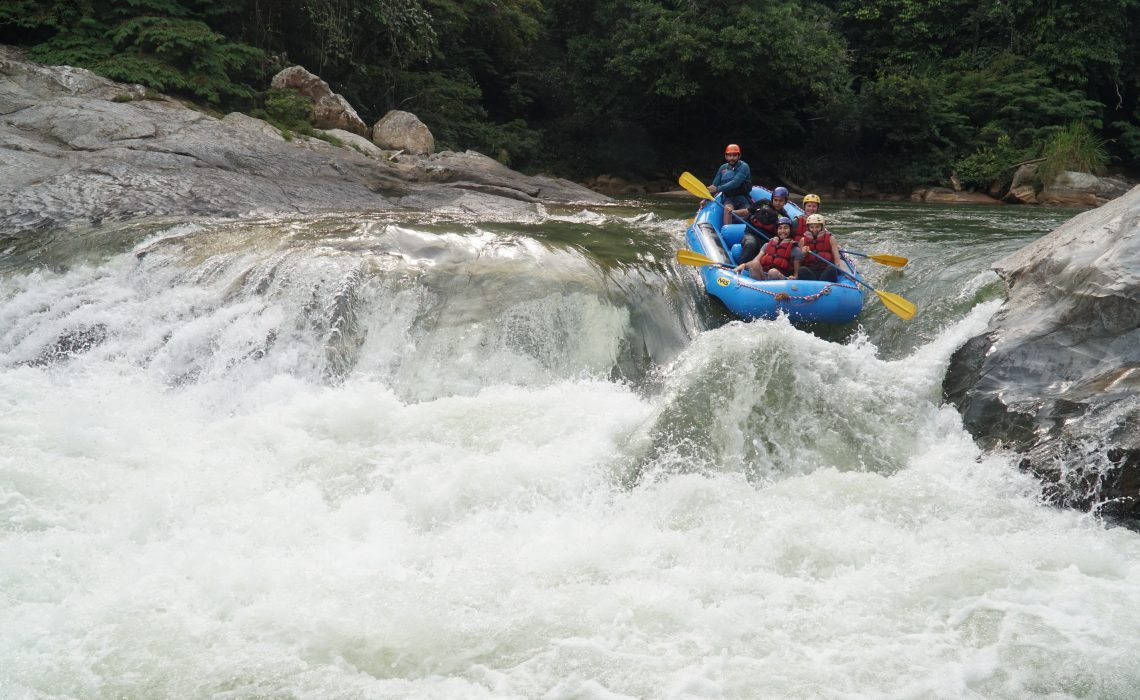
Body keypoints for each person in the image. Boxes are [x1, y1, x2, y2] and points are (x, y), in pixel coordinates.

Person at [734, 186, 790, 264]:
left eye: (781, 201)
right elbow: (746, 211)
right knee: (751, 244)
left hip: (766, 240)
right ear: (772, 199)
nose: (777, 203)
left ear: (785, 202)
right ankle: (742, 268)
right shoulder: (763, 203)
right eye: (775, 200)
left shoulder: (784, 217)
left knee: (767, 255)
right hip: (751, 234)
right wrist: (733, 212)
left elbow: (784, 235)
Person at [734, 217, 799, 280]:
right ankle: (757, 288)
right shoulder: (767, 245)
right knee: (755, 263)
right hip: (764, 278)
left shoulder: (795, 250)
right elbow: (755, 261)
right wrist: (744, 265)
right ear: (777, 230)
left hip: (781, 280)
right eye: (780, 228)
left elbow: (796, 275)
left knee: (773, 272)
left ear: (790, 230)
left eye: (786, 228)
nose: (782, 231)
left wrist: (794, 277)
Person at [795, 214, 849, 282]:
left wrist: (846, 273)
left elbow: (837, 260)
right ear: (808, 228)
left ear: (822, 227)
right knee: (802, 270)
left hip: (825, 270)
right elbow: (798, 261)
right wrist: (803, 253)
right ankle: (816, 284)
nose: (814, 230)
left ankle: (822, 284)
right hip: (811, 270)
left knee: (832, 268)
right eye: (812, 227)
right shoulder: (803, 240)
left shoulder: (830, 238)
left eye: (817, 227)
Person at [708, 144, 752, 226]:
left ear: (739, 156)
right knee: (728, 209)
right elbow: (714, 186)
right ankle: (727, 231)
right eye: (729, 155)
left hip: (743, 198)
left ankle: (746, 232)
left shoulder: (744, 167)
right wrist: (705, 199)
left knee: (746, 213)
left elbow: (735, 183)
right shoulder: (723, 168)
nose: (732, 158)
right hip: (729, 198)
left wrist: (718, 189)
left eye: (734, 155)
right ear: (726, 156)